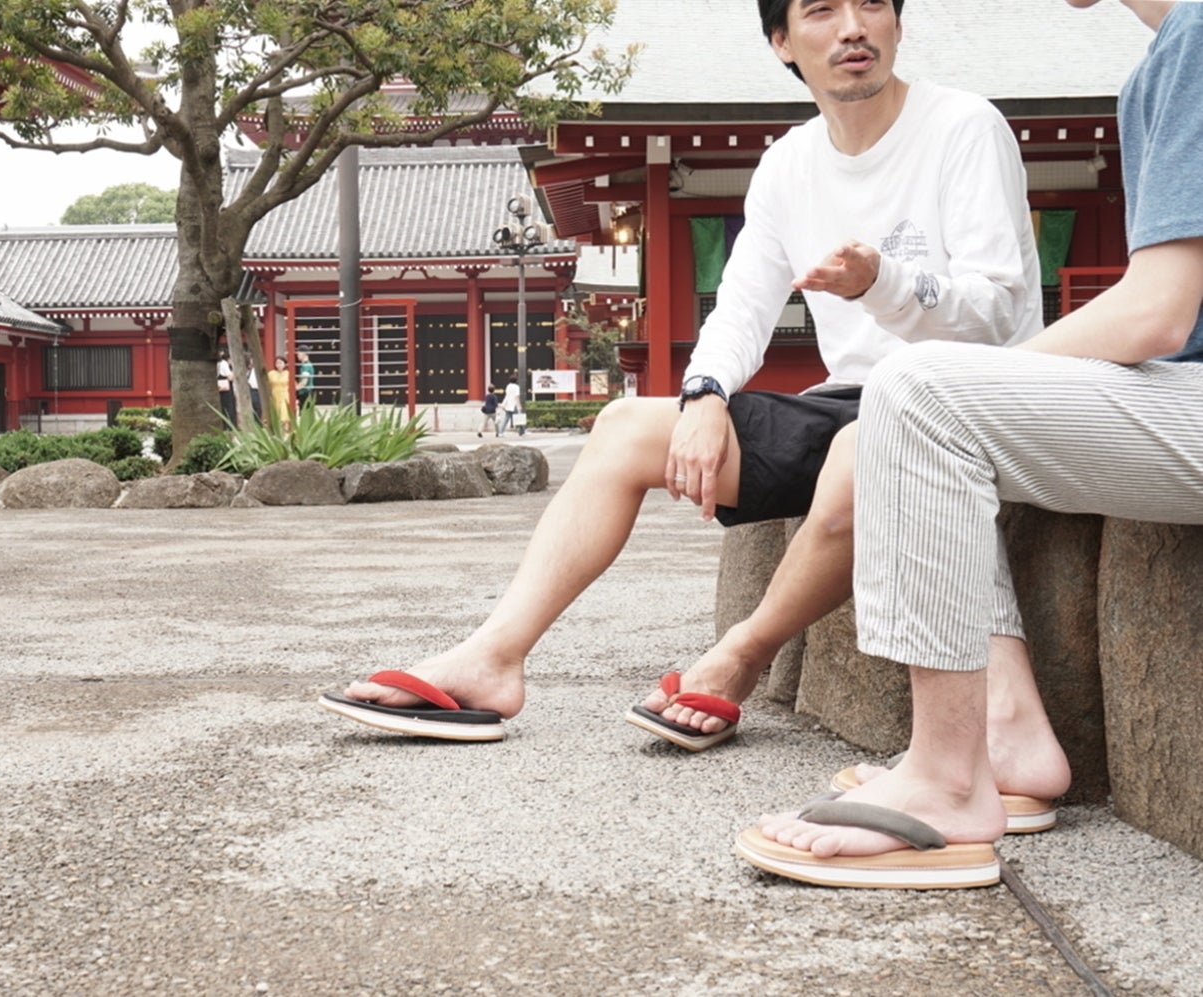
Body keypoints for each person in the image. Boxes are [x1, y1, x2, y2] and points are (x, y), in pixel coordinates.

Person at [319, 0, 1045, 753]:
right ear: (781, 41)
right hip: (851, 400)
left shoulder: (962, 126)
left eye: (871, 4)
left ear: (898, 23)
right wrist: (704, 395)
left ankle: (741, 654)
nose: (852, 27)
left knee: (862, 447)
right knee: (625, 427)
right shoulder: (789, 164)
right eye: (822, 9)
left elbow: (997, 315)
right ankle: (493, 657)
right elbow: (741, 309)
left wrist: (881, 281)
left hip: (963, 400)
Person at [737, 0, 1203, 890]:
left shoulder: (1196, 39)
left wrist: (959, 387)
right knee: (937, 400)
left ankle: (948, 782)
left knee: (923, 396)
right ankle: (1006, 735)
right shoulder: (1166, 52)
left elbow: (1158, 310)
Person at [266, 355, 293, 429]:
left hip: (285, 395)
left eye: (280, 363)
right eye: (277, 363)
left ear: (285, 364)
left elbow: (293, 385)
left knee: (285, 415)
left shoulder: (288, 373)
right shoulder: (271, 374)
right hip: (275, 395)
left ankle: (286, 431)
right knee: (276, 414)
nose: (279, 365)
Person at [217, 350, 237, 427]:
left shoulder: (218, 364)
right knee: (229, 407)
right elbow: (230, 377)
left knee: (224, 406)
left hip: (221, 388)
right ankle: (230, 426)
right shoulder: (224, 363)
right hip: (227, 389)